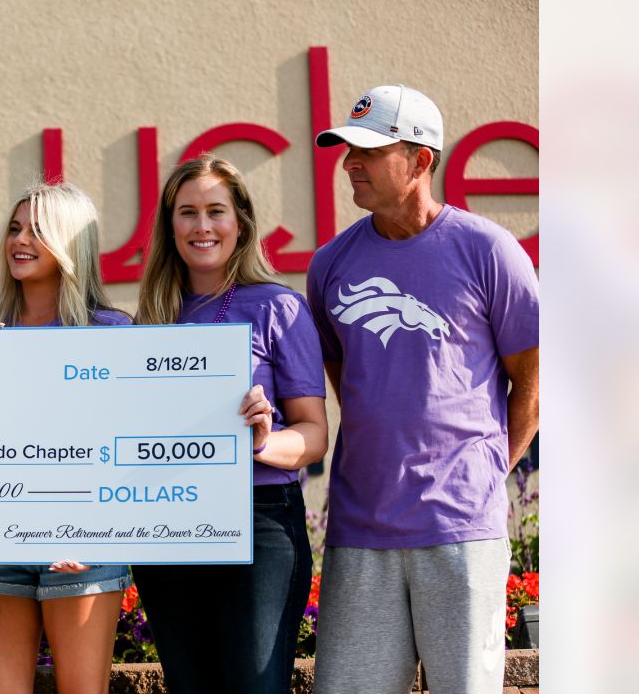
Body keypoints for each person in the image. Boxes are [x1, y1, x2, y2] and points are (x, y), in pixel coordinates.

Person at [307, 85, 539, 693]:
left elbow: (532, 382)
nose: (349, 163)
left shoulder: (489, 251)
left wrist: (489, 470)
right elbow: (346, 379)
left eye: (368, 150)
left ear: (420, 160)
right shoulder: (329, 265)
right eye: (346, 150)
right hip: (360, 526)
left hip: (462, 525)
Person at [130, 154, 329, 694]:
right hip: (168, 528)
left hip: (259, 522)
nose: (202, 226)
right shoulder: (148, 324)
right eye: (187, 212)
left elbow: (314, 435)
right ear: (169, 226)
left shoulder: (279, 308)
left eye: (215, 211)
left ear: (240, 221)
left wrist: (262, 441)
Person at [0, 182, 132, 694]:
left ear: (70, 242)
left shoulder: (114, 333)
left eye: (39, 229)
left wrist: (100, 531)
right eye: (15, 228)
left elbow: (130, 449)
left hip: (82, 543)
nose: (21, 239)